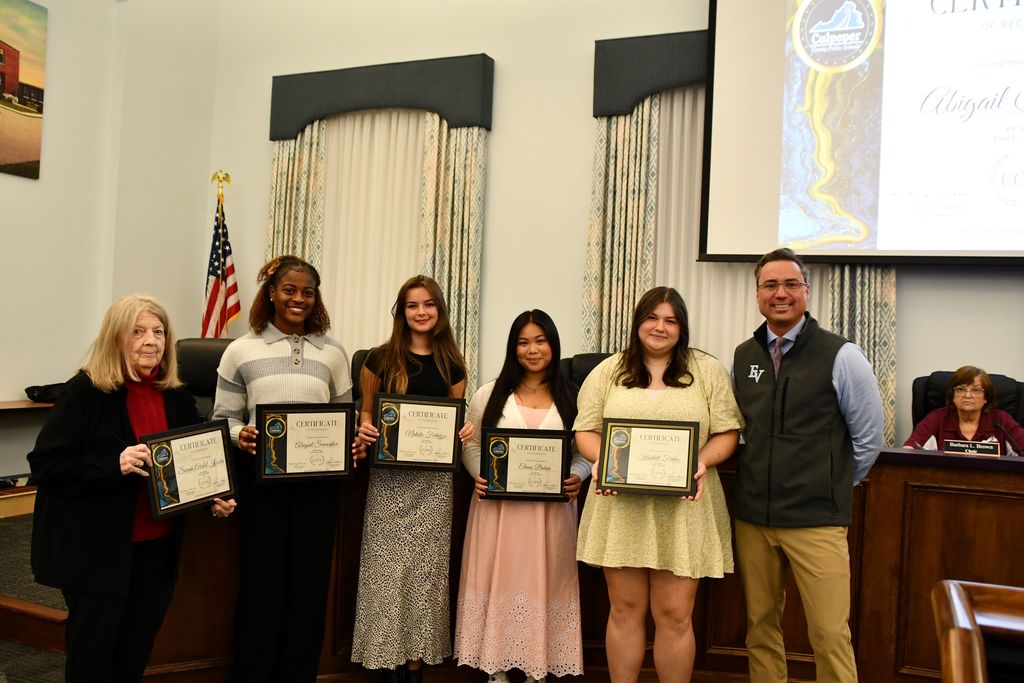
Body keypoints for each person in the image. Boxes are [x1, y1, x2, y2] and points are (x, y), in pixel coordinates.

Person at [29, 295, 236, 682]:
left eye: (158, 332)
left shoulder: (175, 396)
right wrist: (113, 464)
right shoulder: (87, 390)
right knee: (92, 657)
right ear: (117, 338)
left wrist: (214, 496)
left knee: (134, 652)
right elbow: (46, 465)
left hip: (156, 550)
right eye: (138, 331)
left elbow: (194, 462)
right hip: (97, 552)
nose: (150, 341)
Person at [574, 286, 742, 683]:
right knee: (625, 609)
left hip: (684, 508)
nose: (660, 327)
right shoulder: (609, 371)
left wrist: (699, 462)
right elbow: (586, 431)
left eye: (670, 320)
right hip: (621, 506)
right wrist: (601, 461)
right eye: (652, 318)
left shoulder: (707, 371)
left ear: (682, 328)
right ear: (637, 323)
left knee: (675, 615)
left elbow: (728, 433)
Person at [731, 248, 884, 683]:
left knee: (829, 634)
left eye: (790, 284)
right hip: (753, 519)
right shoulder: (744, 357)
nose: (781, 294)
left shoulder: (842, 355)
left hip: (816, 520)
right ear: (758, 293)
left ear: (807, 292)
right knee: (760, 629)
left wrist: (829, 482)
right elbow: (742, 430)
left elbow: (869, 439)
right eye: (770, 285)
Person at [213, 255, 352, 683]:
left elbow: (344, 416)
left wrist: (352, 443)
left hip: (319, 491)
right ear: (271, 292)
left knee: (309, 592)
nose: (298, 299)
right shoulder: (241, 349)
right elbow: (223, 420)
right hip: (264, 488)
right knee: (261, 588)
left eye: (307, 292)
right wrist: (242, 437)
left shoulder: (333, 352)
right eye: (289, 290)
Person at [350, 275, 473, 683]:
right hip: (388, 483)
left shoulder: (453, 364)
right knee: (384, 574)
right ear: (401, 312)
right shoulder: (378, 359)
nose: (421, 312)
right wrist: (364, 429)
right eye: (412, 305)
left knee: (425, 576)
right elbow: (367, 414)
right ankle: (386, 663)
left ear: (439, 310)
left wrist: (465, 430)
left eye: (428, 305)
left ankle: (416, 667)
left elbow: (457, 421)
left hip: (433, 486)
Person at [454, 310, 588, 683]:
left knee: (546, 580)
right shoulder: (490, 393)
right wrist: (479, 473)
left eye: (540, 341)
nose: (533, 350)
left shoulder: (572, 397)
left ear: (553, 345)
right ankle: (495, 667)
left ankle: (536, 668)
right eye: (524, 342)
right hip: (498, 512)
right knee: (500, 578)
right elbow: (472, 443)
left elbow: (585, 451)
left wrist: (578, 475)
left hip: (552, 513)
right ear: (514, 348)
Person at [903, 365, 1024, 455]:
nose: (967, 395)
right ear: (953, 395)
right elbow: (909, 450)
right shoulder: (937, 418)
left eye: (976, 390)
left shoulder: (1001, 421)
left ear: (986, 397)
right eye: (961, 389)